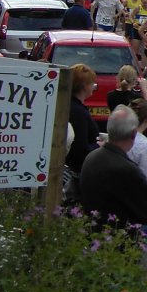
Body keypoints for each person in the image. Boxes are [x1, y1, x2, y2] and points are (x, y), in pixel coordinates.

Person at [79, 104, 147, 237]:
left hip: (92, 231)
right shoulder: (127, 169)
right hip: (116, 238)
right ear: (133, 134)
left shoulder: (92, 157)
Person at [64, 63, 100, 203]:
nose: (94, 86)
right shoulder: (78, 112)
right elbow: (80, 148)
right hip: (80, 172)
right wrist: (100, 146)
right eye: (92, 83)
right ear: (85, 86)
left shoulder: (70, 105)